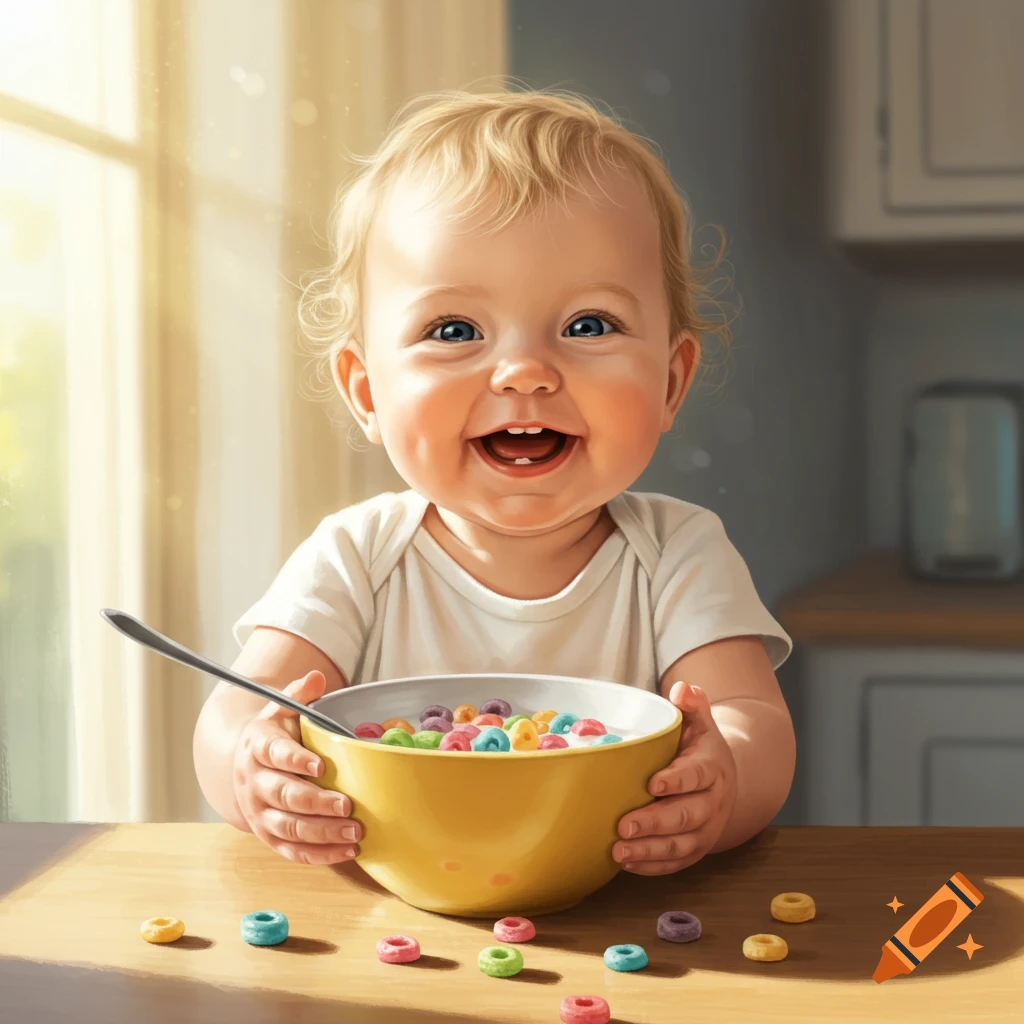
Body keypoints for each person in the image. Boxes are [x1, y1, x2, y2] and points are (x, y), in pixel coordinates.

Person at [193, 89, 795, 876]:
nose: (525, 372)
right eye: (454, 331)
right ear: (368, 391)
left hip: (623, 925)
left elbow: (753, 724)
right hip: (393, 936)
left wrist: (722, 787)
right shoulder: (356, 557)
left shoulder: (679, 554)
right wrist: (257, 770)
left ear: (672, 382)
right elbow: (238, 712)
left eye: (588, 325)